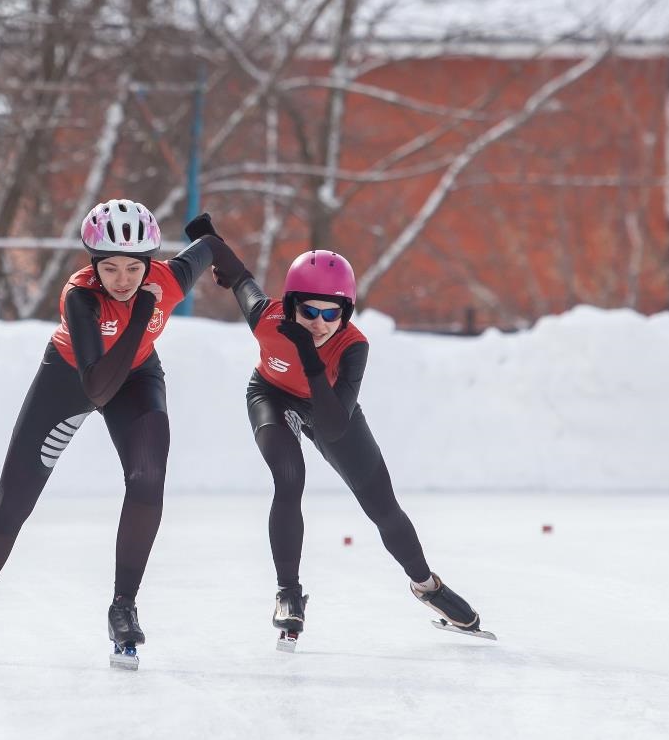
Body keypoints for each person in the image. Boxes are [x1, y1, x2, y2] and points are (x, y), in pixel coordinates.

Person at [0, 200, 216, 663]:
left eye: (135, 267)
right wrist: (144, 309)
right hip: (73, 376)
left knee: (148, 476)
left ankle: (123, 607)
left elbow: (209, 246)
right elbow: (96, 384)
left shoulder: (170, 278)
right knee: (13, 500)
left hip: (136, 377)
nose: (123, 279)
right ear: (93, 266)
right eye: (110, 267)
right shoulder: (81, 296)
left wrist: (240, 280)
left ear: (150, 262)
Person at [185, 217, 485, 644]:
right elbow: (237, 273)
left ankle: (426, 585)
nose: (320, 322)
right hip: (271, 396)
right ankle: (289, 594)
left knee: (382, 507)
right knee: (289, 478)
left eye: (333, 312)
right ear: (290, 306)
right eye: (309, 311)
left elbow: (332, 423)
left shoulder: (353, 346)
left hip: (329, 407)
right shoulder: (265, 317)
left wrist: (308, 353)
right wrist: (206, 238)